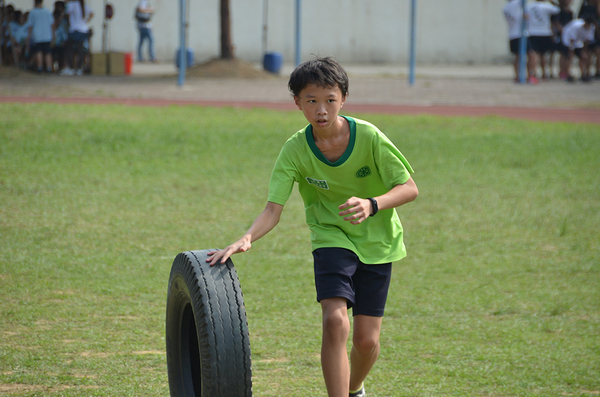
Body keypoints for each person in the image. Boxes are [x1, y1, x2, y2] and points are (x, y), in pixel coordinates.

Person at [207, 57, 419, 397]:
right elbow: (273, 209)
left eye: (330, 100)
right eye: (311, 101)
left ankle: (354, 388)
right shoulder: (294, 150)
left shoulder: (369, 136)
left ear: (343, 99)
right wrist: (246, 238)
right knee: (335, 322)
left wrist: (372, 204)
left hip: (379, 242)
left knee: (367, 341)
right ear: (297, 102)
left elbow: (409, 188)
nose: (321, 110)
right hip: (330, 236)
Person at [504, 0, 538, 83]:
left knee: (518, 56)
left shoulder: (505, 7)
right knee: (531, 55)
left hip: (512, 34)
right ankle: (530, 75)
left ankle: (518, 76)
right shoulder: (516, 3)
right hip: (520, 34)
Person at [527, 0, 560, 79]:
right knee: (543, 55)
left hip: (533, 32)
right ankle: (544, 73)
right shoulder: (547, 6)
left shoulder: (529, 6)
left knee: (535, 54)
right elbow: (557, 10)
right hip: (545, 32)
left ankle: (533, 72)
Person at [560, 15, 597, 81]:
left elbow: (587, 41)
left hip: (578, 40)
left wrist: (584, 51)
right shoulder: (576, 26)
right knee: (569, 57)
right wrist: (570, 51)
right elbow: (571, 39)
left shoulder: (591, 28)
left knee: (582, 57)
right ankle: (568, 74)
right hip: (567, 38)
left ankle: (583, 74)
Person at [61, 0, 93, 76]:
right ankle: (79, 68)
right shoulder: (84, 6)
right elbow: (92, 13)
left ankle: (70, 68)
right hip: (83, 29)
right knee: (80, 50)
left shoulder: (72, 4)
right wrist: (86, 21)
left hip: (74, 29)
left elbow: (67, 14)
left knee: (69, 49)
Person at [26, 0, 54, 73]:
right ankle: (49, 67)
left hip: (36, 35)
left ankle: (40, 67)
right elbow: (52, 24)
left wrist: (29, 36)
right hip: (47, 35)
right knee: (47, 52)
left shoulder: (32, 12)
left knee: (38, 51)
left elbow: (30, 26)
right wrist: (53, 34)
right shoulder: (47, 11)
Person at [550, 0, 574, 79]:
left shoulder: (570, 12)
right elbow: (555, 22)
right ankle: (552, 71)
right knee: (556, 53)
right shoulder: (558, 11)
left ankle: (564, 70)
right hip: (560, 34)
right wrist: (561, 30)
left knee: (565, 53)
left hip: (567, 34)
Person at [578, 0, 600, 77]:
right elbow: (580, 17)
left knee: (598, 52)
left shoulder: (596, 6)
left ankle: (598, 70)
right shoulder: (585, 6)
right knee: (588, 53)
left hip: (596, 34)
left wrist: (598, 4)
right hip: (587, 33)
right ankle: (587, 71)